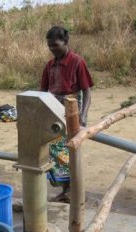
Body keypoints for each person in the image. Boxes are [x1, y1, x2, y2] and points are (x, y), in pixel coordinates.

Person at [40, 26, 94, 202]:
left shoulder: (77, 62)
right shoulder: (50, 66)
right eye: (49, 46)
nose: (52, 49)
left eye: (55, 45)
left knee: (69, 151)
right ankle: (66, 190)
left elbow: (86, 92)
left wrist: (83, 115)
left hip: (71, 113)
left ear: (65, 42)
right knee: (54, 153)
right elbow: (42, 92)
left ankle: (73, 191)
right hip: (52, 112)